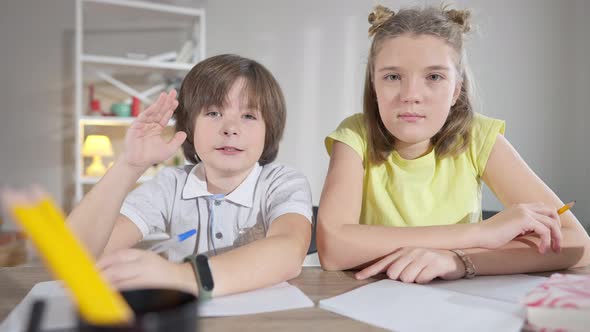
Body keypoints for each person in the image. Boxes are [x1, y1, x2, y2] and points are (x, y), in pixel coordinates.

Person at [317, 5, 590, 283]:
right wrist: (480, 234)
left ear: (456, 90)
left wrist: (459, 260)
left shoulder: (478, 136)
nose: (411, 95)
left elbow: (577, 244)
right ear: (374, 87)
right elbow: (333, 248)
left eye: (434, 77)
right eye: (393, 77)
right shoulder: (355, 136)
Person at [67, 54, 313, 297]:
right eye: (214, 113)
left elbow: (289, 251)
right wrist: (129, 165)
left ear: (269, 131)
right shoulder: (171, 185)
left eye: (248, 116)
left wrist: (180, 276)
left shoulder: (283, 182)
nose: (230, 129)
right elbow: (75, 255)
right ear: (189, 127)